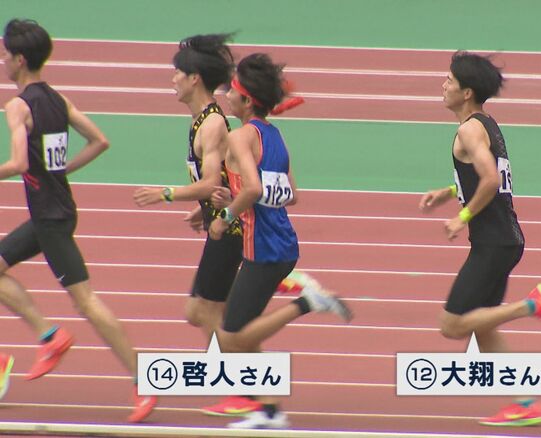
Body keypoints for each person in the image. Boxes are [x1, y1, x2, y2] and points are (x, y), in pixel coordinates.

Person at [0, 19, 155, 422]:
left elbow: (18, 163)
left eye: (5, 54)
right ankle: (49, 336)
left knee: (85, 301)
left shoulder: (17, 106)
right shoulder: (57, 99)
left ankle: (143, 379)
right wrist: (61, 170)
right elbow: (100, 140)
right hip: (57, 211)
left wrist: (47, 170)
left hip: (50, 219)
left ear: (20, 59)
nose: (2, 60)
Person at [419, 51, 541, 427]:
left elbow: (489, 180)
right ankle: (526, 403)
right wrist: (449, 192)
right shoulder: (486, 124)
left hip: (493, 241)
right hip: (505, 238)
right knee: (482, 327)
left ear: (467, 92)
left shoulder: (469, 130)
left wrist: (462, 217)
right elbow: (488, 178)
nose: (443, 85)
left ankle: (532, 305)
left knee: (451, 324)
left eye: (450, 81)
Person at [207, 53, 352, 430]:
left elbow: (255, 189)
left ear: (247, 101)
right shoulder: (274, 135)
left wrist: (225, 217)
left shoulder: (240, 136)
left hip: (264, 249)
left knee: (231, 337)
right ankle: (269, 409)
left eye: (232, 91)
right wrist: (235, 196)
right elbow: (290, 194)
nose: (226, 96)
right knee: (242, 328)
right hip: (282, 244)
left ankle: (308, 302)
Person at [131, 34, 259, 417]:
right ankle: (248, 383)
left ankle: (243, 391)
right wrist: (202, 211)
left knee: (204, 312)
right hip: (218, 223)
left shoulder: (213, 124)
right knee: (205, 311)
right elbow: (220, 182)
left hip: (230, 230)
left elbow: (210, 182)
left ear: (195, 79)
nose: (172, 79)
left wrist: (165, 194)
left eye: (177, 73)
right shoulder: (200, 120)